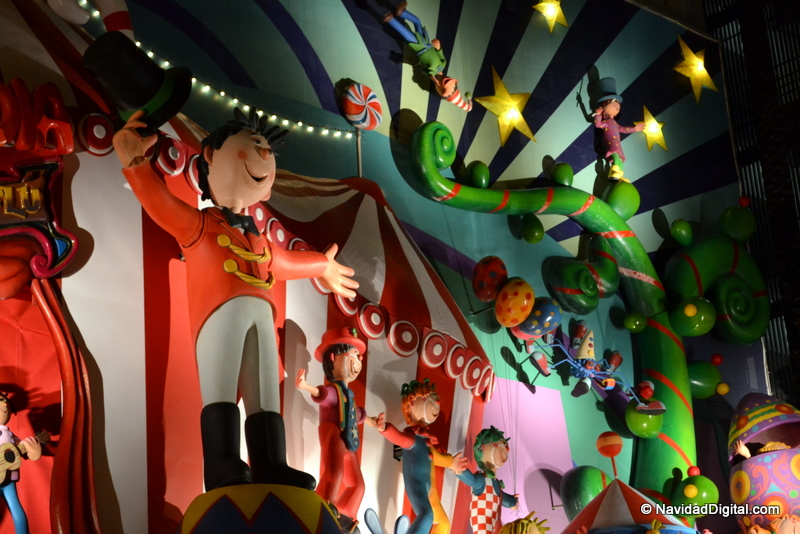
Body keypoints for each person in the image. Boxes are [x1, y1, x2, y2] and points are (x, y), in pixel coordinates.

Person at [112, 107, 359, 491]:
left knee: (265, 390)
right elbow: (161, 204)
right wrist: (134, 161)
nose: (264, 153)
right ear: (211, 156)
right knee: (221, 387)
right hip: (217, 315)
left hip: (261, 317)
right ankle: (222, 462)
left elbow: (285, 261)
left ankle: (271, 463)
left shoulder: (259, 240)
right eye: (253, 143)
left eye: (266, 148)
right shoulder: (199, 225)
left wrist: (321, 266)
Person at [296, 327, 376, 532]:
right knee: (334, 475)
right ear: (333, 358)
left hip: (349, 440)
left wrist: (373, 421)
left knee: (357, 485)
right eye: (353, 356)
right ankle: (320, 511)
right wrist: (306, 387)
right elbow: (323, 395)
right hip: (333, 433)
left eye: (359, 358)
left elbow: (357, 414)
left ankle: (345, 519)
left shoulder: (349, 394)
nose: (358, 363)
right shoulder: (334, 390)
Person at [369, 379, 467, 534]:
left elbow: (436, 457)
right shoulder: (412, 438)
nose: (436, 402)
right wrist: (384, 428)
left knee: (443, 523)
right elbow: (398, 438)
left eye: (436, 398)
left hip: (431, 489)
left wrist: (452, 463)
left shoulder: (425, 440)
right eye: (428, 398)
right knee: (426, 515)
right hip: (418, 486)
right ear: (411, 404)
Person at [381, 2, 472, 111]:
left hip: (420, 48)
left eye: (448, 91)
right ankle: (401, 12)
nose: (451, 87)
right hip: (427, 43)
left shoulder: (431, 72)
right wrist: (439, 47)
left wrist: (433, 78)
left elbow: (424, 71)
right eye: (454, 88)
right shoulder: (443, 65)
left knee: (408, 35)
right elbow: (440, 55)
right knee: (418, 22)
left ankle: (391, 20)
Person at [456, 426, 519, 534]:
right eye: (497, 445)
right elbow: (472, 480)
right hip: (482, 525)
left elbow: (503, 499)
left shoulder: (496, 484)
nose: (504, 451)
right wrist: (459, 470)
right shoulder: (482, 479)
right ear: (483, 448)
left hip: (496, 526)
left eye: (505, 447)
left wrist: (513, 502)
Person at [0, 393, 42, 534]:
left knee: (16, 511)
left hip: (8, 480)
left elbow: (23, 451)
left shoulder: (10, 436)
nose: (4, 404)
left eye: (4, 401)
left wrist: (33, 450)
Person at [592, 78, 644, 181]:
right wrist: (598, 115)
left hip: (618, 145)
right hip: (611, 144)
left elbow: (623, 129)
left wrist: (635, 129)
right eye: (613, 101)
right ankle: (613, 173)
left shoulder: (615, 123)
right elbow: (598, 125)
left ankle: (619, 175)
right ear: (604, 105)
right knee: (615, 156)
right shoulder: (606, 122)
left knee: (620, 159)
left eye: (617, 101)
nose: (617, 105)